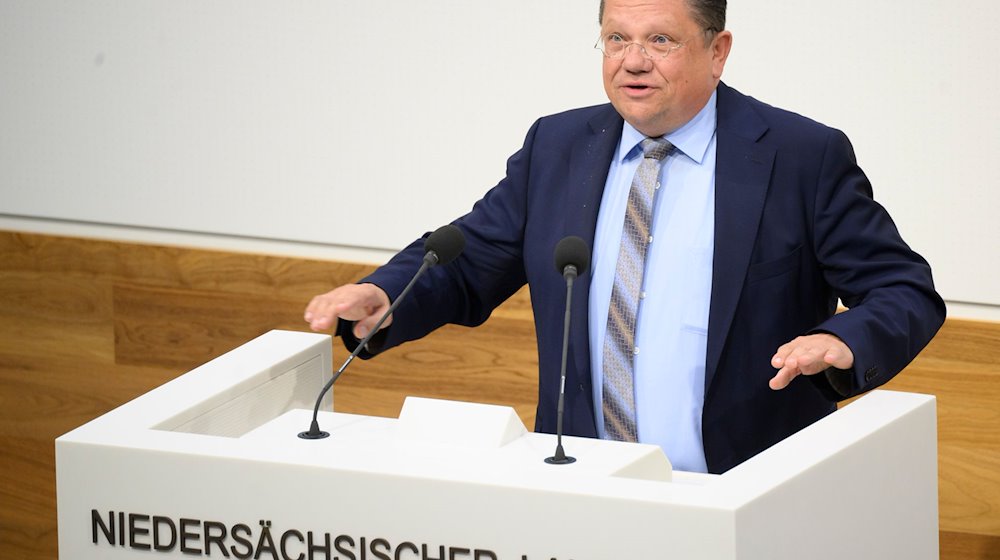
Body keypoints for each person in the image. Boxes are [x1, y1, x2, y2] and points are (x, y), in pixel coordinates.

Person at [304, 0, 945, 474]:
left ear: (718, 51)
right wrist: (387, 295)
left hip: (745, 488)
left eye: (659, 39)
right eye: (615, 38)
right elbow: (468, 258)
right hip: (582, 487)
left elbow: (903, 290)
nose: (632, 61)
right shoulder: (557, 146)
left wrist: (840, 340)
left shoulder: (799, 156)